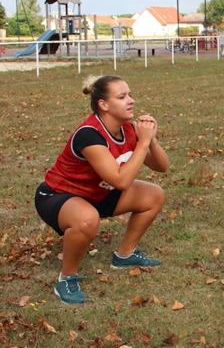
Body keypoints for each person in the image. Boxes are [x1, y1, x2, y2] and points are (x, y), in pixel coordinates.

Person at [35, 75, 169, 304]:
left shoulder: (128, 130)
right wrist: (143, 143)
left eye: (130, 94)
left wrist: (151, 140)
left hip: (97, 194)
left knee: (154, 195)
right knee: (88, 219)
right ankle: (67, 278)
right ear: (103, 105)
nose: (131, 100)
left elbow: (162, 167)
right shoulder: (89, 134)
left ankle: (124, 256)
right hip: (58, 196)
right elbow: (121, 182)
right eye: (122, 96)